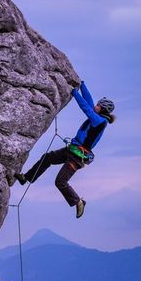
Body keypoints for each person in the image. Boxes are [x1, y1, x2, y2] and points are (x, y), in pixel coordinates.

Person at [14, 81, 115, 218]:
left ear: (102, 109)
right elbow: (90, 102)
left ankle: (78, 202)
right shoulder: (97, 116)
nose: (95, 106)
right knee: (47, 157)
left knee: (60, 182)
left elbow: (86, 107)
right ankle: (26, 178)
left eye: (98, 105)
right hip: (72, 150)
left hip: (78, 157)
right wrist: (82, 85)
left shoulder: (99, 121)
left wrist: (74, 93)